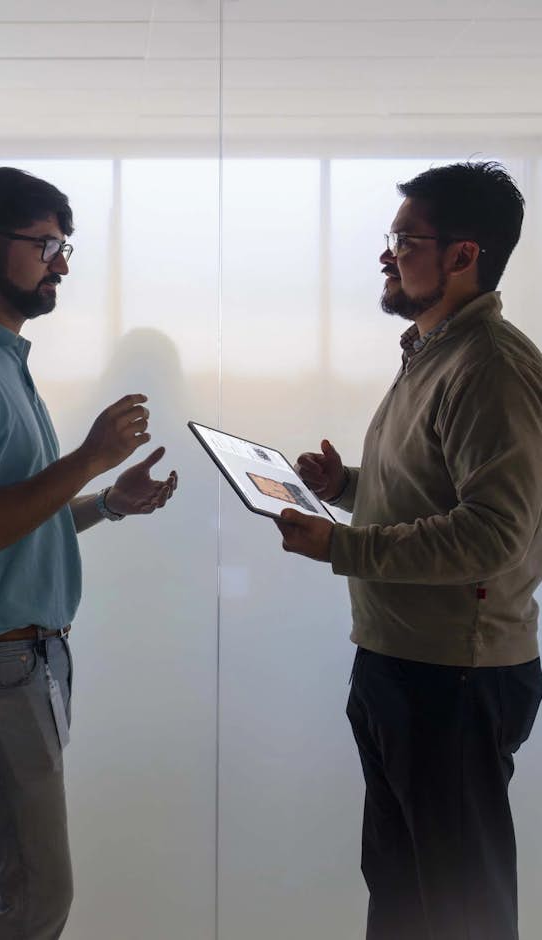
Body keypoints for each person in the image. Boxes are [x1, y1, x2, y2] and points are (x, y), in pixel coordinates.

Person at [0, 166, 178, 940]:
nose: (61, 261)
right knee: (35, 897)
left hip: (11, 662)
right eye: (46, 243)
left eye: (65, 245)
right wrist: (87, 458)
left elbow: (6, 527)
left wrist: (106, 504)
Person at [276, 161, 542, 940]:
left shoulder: (489, 366)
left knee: (460, 905)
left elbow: (495, 533)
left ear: (463, 255)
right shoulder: (433, 350)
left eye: (404, 240)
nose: (386, 256)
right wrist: (349, 484)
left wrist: (343, 545)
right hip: (400, 662)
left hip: (452, 676)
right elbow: (435, 493)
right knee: (401, 893)